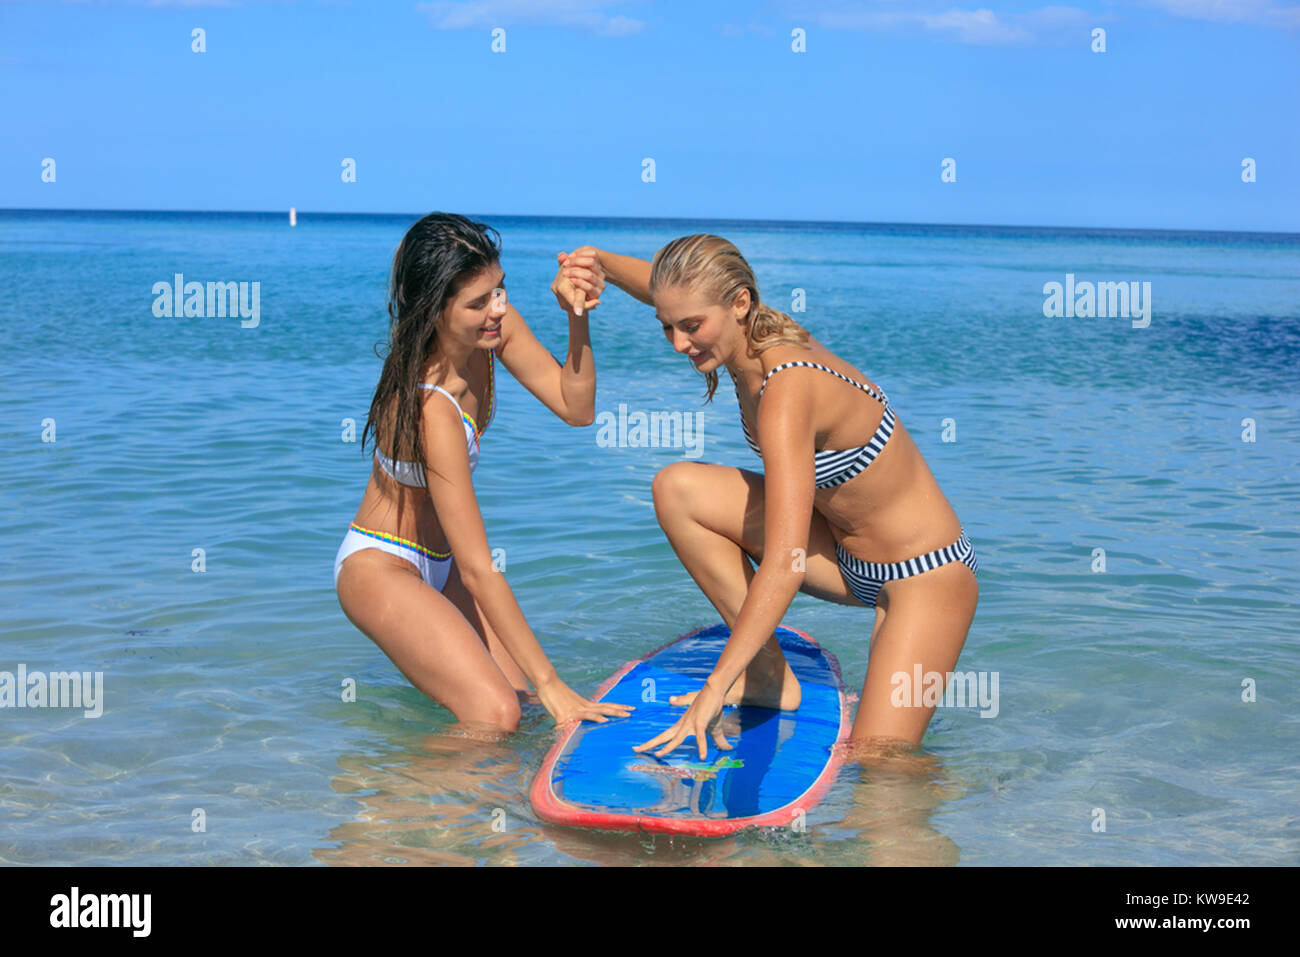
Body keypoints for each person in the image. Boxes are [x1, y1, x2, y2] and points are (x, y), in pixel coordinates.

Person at [556, 235, 978, 759]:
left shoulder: (786, 388)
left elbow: (784, 562)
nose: (679, 344)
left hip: (923, 576)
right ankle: (768, 678)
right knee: (676, 490)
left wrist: (712, 691)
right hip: (843, 559)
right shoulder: (738, 329)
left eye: (691, 327)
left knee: (881, 768)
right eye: (668, 326)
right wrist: (590, 265)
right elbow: (672, 290)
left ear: (740, 303)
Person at [334, 213, 632, 733]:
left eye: (500, 290)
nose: (498, 309)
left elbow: (576, 407)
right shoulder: (431, 407)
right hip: (381, 568)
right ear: (434, 310)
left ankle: (480, 810)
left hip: (441, 567)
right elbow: (479, 568)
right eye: (478, 302)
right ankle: (385, 807)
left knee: (526, 713)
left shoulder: (489, 333)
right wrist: (554, 681)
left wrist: (577, 317)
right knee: (496, 716)